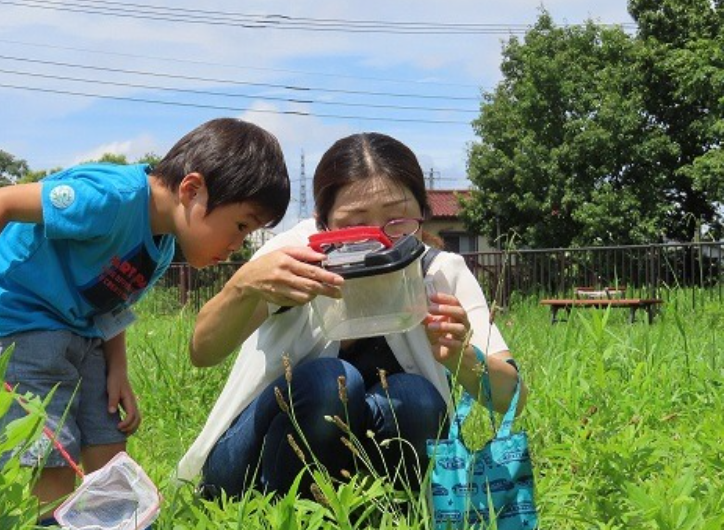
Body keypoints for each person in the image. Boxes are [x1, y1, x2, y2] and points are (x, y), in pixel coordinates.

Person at [0, 118, 290, 530]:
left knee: (107, 443)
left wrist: (118, 369)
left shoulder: (161, 245)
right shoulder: (110, 198)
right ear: (192, 190)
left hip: (79, 328)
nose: (239, 245)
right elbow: (1, 202)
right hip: (14, 318)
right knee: (48, 458)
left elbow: (112, 301)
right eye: (241, 225)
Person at [177, 132, 525, 501]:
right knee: (331, 381)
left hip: (358, 473)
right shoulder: (294, 258)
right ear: (322, 222)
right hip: (247, 468)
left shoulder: (440, 273)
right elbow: (203, 351)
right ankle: (283, 516)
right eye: (355, 224)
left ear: (422, 213)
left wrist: (461, 356)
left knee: (417, 399)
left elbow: (512, 400)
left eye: (397, 220)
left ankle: (391, 514)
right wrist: (243, 286)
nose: (377, 240)